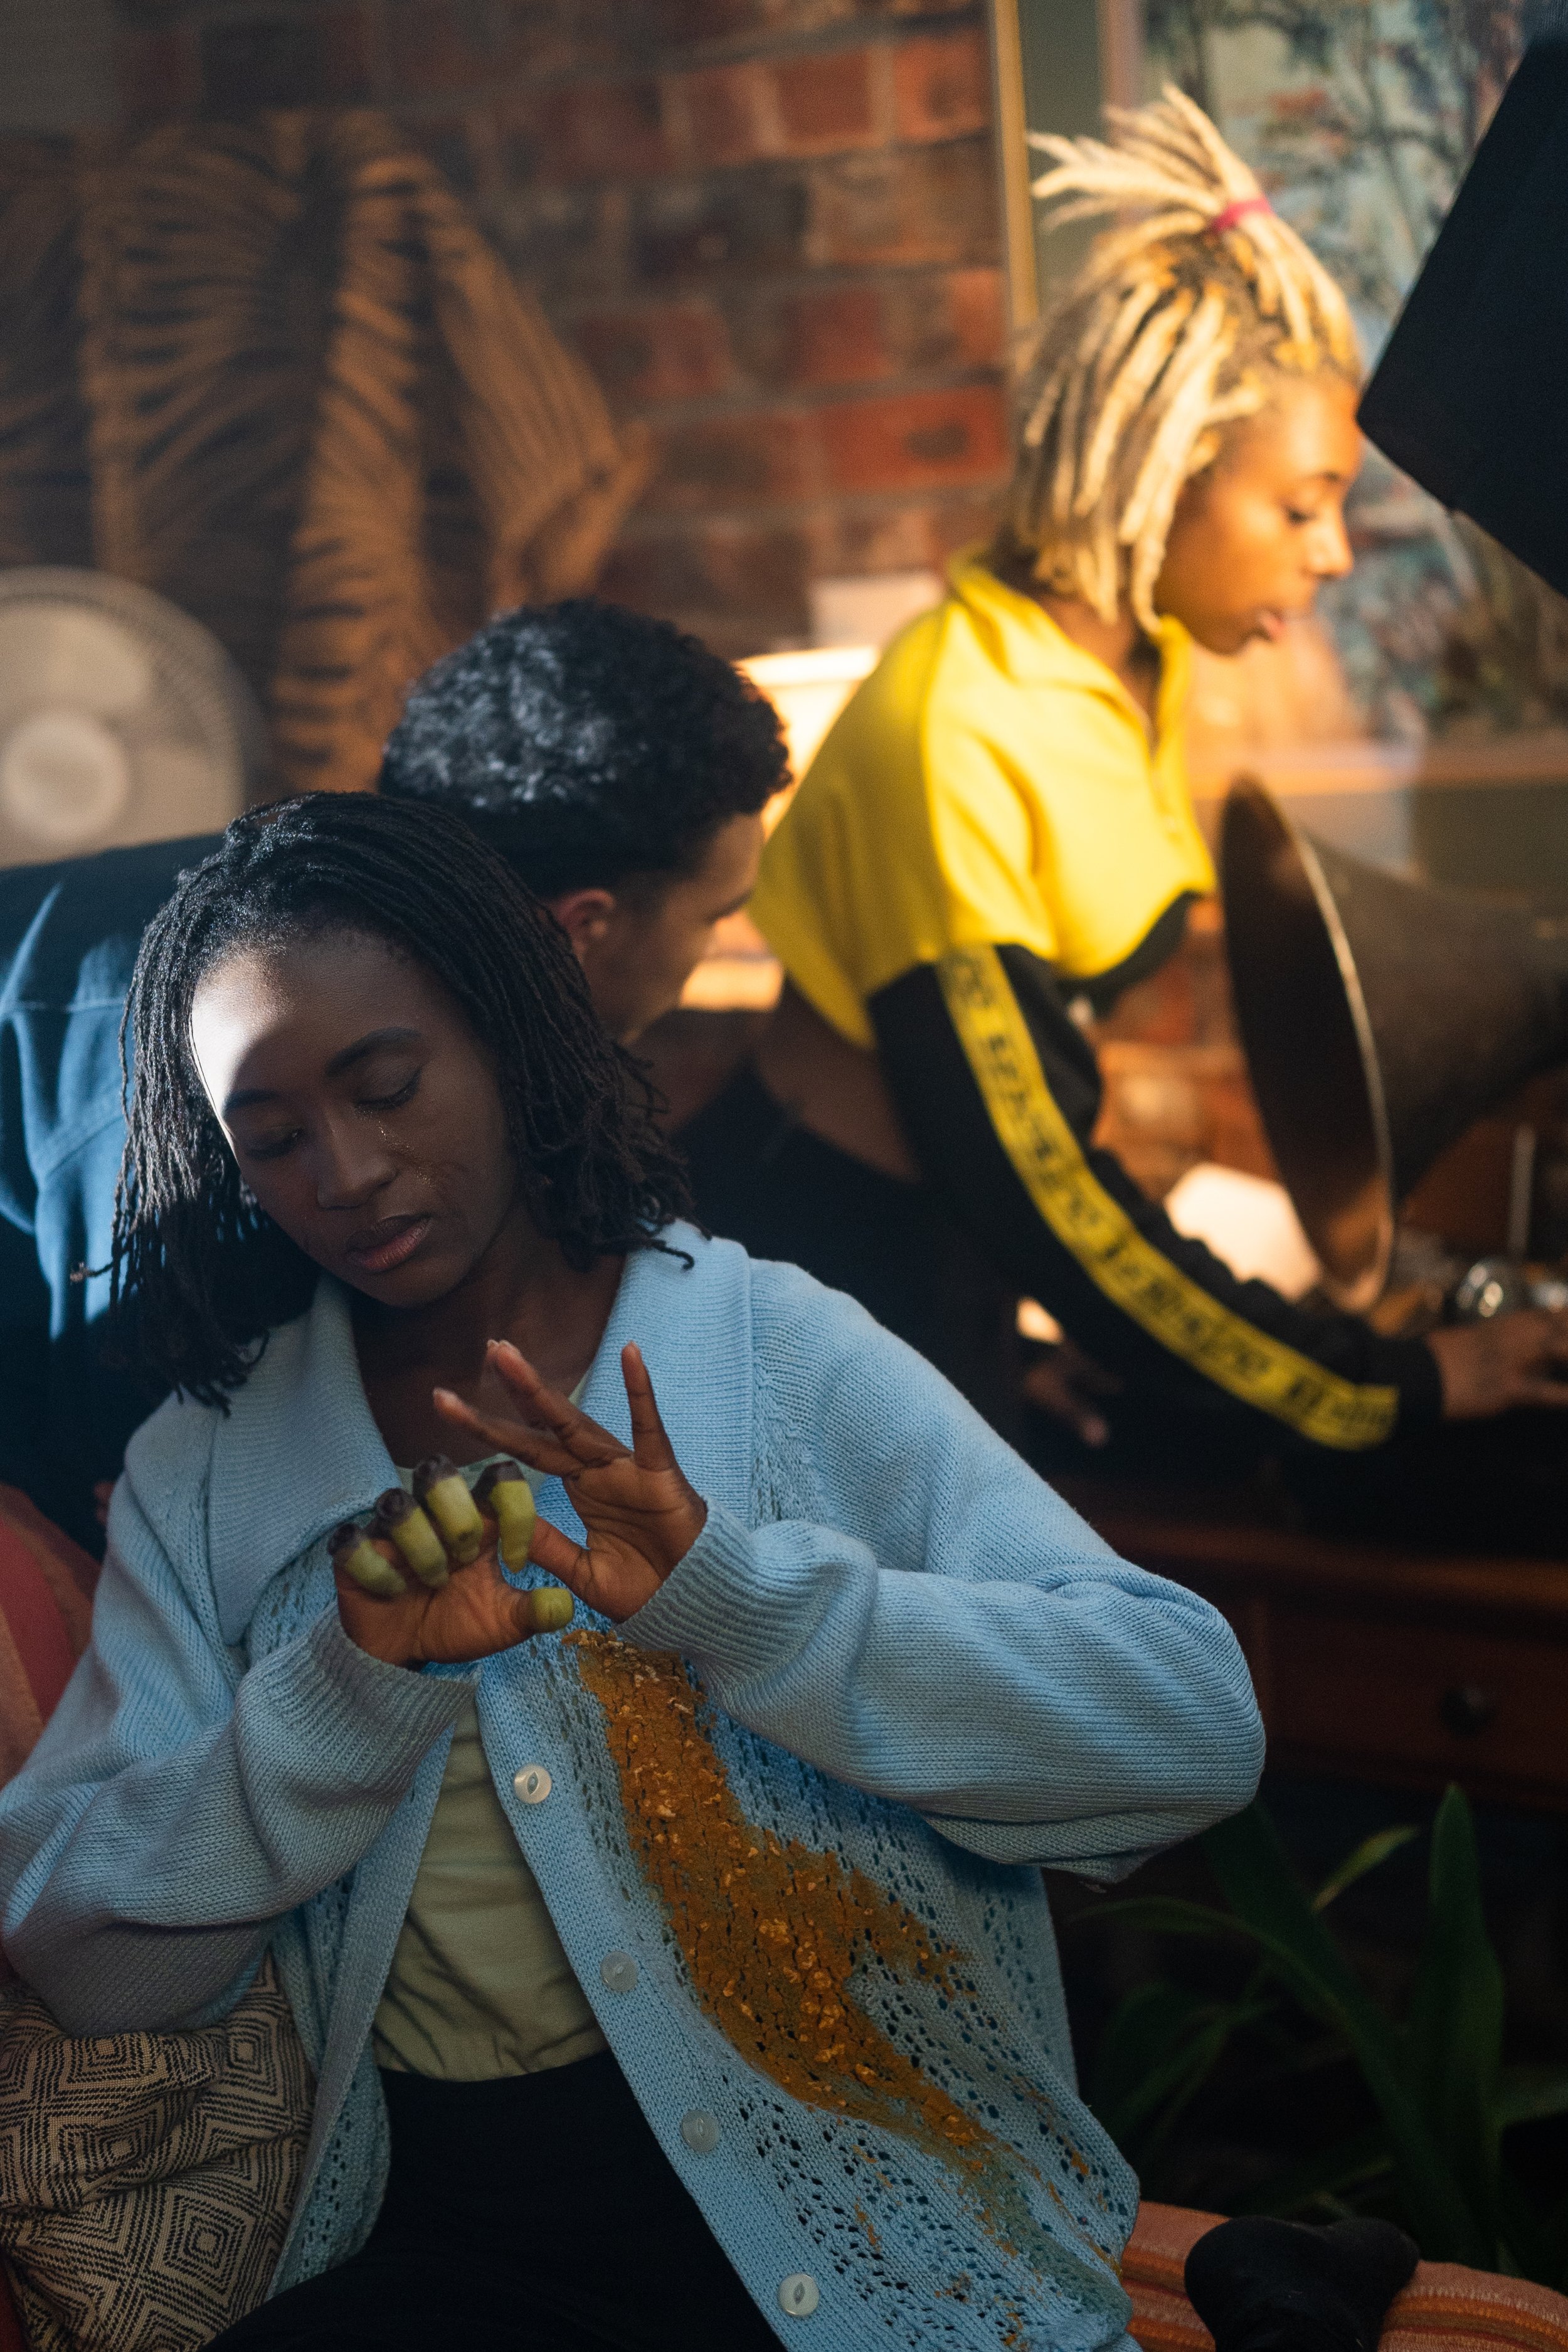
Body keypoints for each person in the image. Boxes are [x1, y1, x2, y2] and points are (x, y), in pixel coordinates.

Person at [0, 792, 1264, 2351]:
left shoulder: (766, 1354)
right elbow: (83, 1959)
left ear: (507, 1036)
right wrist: (340, 1697)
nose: (345, 1169)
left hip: (880, 2214)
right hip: (441, 2245)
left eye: (388, 1084)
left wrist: (743, 1609)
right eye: (270, 1138)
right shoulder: (213, 1470)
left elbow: (1188, 1735)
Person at [680, 90, 1568, 1493]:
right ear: (1159, 479)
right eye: (1297, 505)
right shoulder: (956, 727)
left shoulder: (1115, 670)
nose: (1331, 554)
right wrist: (1385, 1385)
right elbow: (1040, 1189)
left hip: (938, 1262)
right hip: (816, 1265)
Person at [0, 598, 785, 1545]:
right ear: (582, 928)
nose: (352, 1168)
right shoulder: (210, 1086)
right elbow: (138, 1520)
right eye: (713, 916)